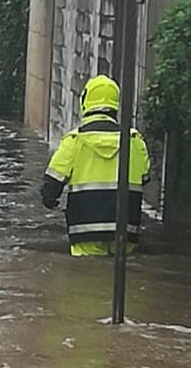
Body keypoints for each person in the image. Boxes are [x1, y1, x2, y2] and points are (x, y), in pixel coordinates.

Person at [41, 74, 151, 257]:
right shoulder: (134, 141)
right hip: (125, 231)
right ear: (116, 104)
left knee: (84, 279)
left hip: (84, 232)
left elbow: (51, 187)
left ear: (85, 102)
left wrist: (50, 200)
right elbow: (145, 178)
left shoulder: (74, 140)